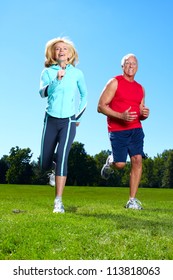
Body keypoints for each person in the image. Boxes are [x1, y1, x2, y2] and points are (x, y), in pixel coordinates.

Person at [39, 37, 88, 213]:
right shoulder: (47, 72)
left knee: (62, 157)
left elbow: (85, 96)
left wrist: (77, 117)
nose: (61, 51)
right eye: (58, 49)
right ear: (53, 53)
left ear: (70, 53)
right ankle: (50, 168)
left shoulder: (77, 73)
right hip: (50, 119)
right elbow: (42, 93)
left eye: (65, 49)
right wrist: (56, 80)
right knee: (43, 162)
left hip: (68, 121)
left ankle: (58, 201)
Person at [97, 53, 149, 210]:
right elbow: (100, 106)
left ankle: (132, 200)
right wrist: (121, 116)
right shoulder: (114, 82)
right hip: (118, 129)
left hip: (136, 129)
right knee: (120, 164)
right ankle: (110, 161)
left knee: (137, 160)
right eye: (127, 63)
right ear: (122, 66)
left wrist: (144, 115)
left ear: (137, 67)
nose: (131, 66)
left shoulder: (140, 88)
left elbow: (140, 111)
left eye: (134, 63)